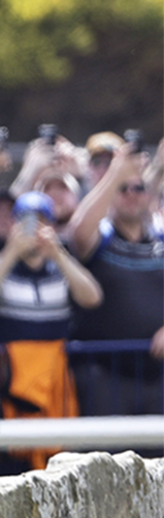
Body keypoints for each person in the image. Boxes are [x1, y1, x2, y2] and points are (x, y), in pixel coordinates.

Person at [0, 191, 102, 473]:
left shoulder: (61, 267)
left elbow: (92, 297)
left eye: (42, 221)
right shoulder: (1, 265)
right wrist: (10, 252)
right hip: (9, 391)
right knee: (10, 463)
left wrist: (58, 253)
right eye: (27, 221)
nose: (34, 229)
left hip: (53, 390)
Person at [68, 142, 164, 418]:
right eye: (123, 188)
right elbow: (79, 233)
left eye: (138, 188)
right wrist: (116, 173)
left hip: (156, 378)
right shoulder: (103, 239)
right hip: (105, 377)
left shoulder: (159, 242)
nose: (131, 194)